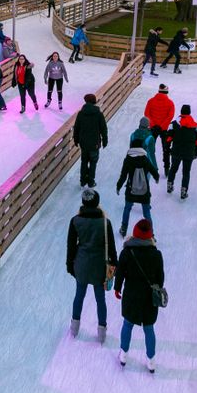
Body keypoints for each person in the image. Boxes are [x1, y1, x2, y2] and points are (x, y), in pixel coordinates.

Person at [67, 188, 117, 344]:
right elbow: (112, 248)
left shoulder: (75, 221)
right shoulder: (105, 223)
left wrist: (70, 265)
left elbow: (71, 246)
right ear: (97, 203)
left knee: (79, 296)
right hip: (99, 267)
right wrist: (114, 266)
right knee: (100, 299)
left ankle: (74, 328)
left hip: (81, 264)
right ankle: (102, 333)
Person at [114, 219, 164, 373]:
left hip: (131, 296)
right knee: (149, 329)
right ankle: (151, 361)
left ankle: (123, 355)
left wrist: (117, 288)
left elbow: (120, 273)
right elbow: (160, 279)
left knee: (127, 325)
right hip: (149, 299)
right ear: (150, 236)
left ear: (135, 232)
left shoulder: (127, 252)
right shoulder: (156, 255)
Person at [116, 132, 159, 237]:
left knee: (127, 208)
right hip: (144, 191)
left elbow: (123, 175)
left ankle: (123, 229)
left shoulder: (128, 159)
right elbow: (153, 170)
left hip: (131, 190)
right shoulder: (145, 159)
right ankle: (151, 234)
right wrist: (156, 177)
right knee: (146, 212)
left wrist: (118, 186)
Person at [165, 105, 197, 200]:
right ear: (189, 112)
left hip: (176, 151)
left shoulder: (173, 124)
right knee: (186, 172)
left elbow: (169, 138)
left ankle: (169, 185)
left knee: (173, 168)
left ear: (181, 112)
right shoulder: (196, 126)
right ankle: (184, 191)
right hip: (189, 152)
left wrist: (167, 148)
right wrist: (196, 152)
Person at [73, 93, 108, 188]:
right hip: (94, 144)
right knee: (93, 163)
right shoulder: (98, 114)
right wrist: (105, 140)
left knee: (84, 161)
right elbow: (103, 129)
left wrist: (76, 139)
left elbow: (76, 128)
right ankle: (91, 182)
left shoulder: (81, 114)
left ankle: (83, 181)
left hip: (84, 143)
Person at [143, 84, 174, 176]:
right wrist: (161, 126)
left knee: (150, 148)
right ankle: (167, 168)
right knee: (166, 149)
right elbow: (170, 116)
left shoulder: (150, 101)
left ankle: (149, 166)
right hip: (164, 129)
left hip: (152, 129)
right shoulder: (170, 103)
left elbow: (146, 114)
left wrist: (153, 125)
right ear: (166, 92)